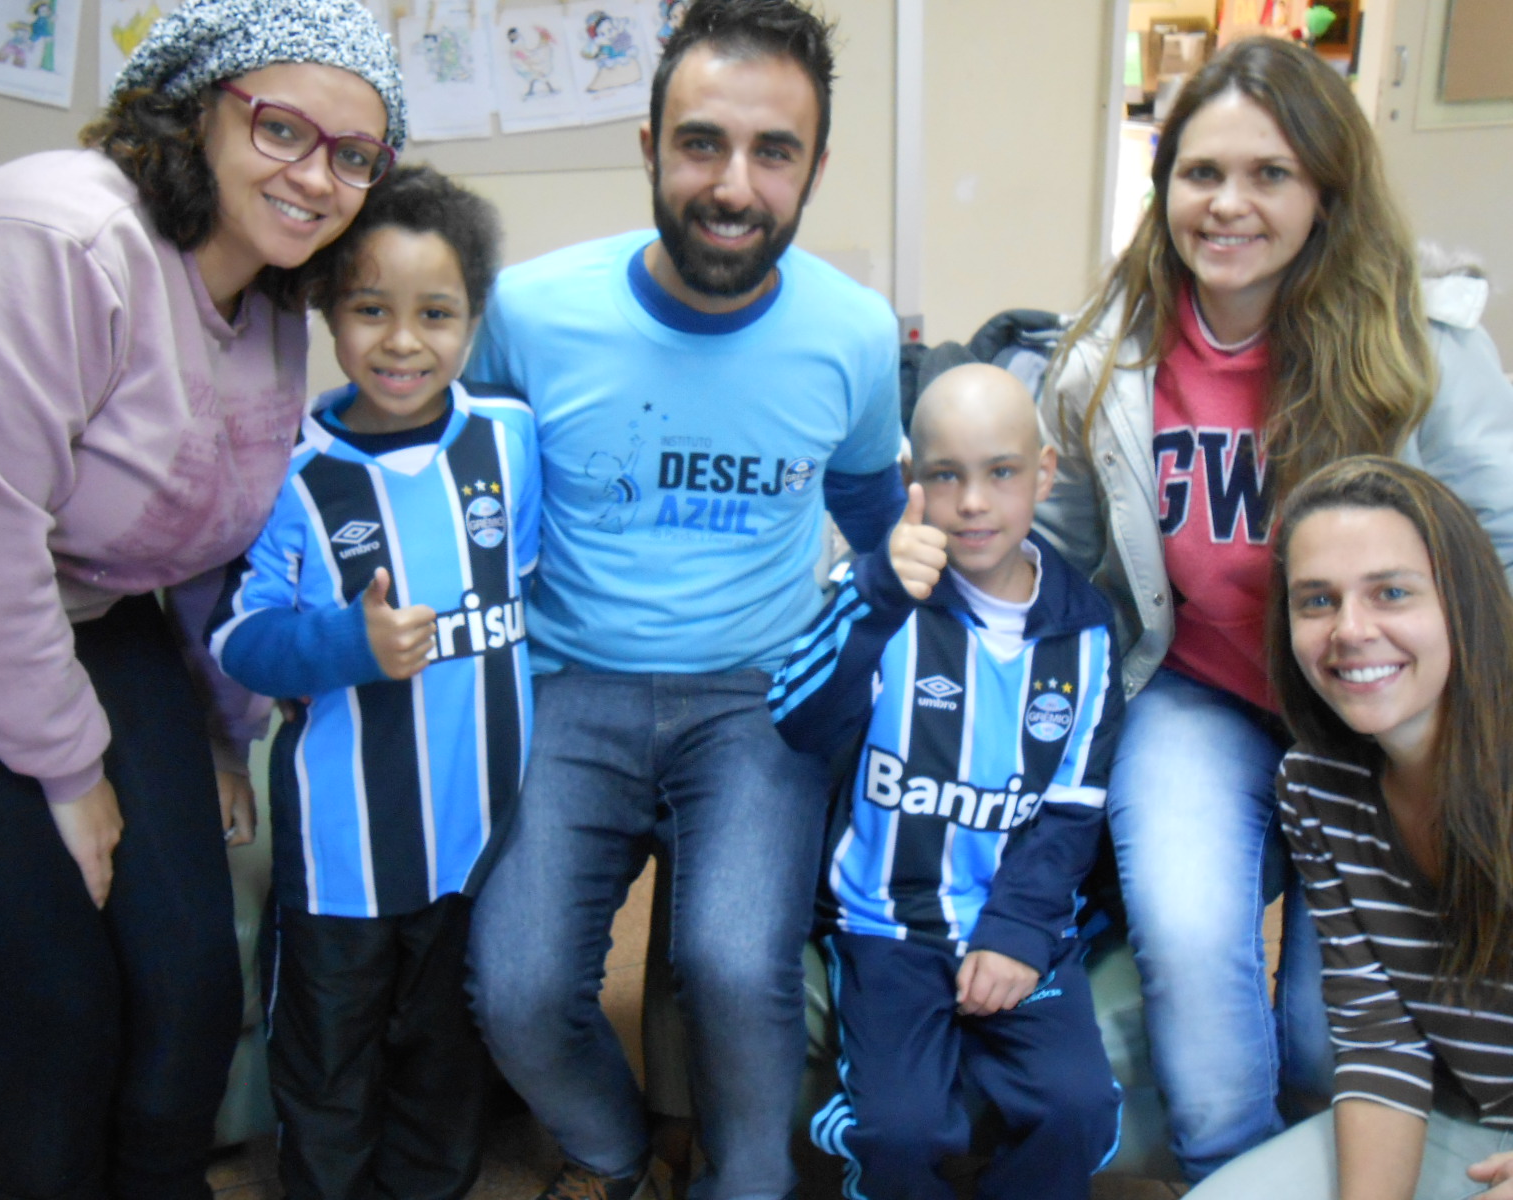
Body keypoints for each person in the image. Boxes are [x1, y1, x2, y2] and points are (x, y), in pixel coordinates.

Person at [0, 1, 405, 1196]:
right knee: (56, 1006)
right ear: (196, 107)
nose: (315, 177)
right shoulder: (51, 246)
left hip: (85, 614)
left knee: (190, 979)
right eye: (282, 126)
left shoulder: (274, 297)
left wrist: (217, 727)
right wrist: (72, 774)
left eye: (353, 154)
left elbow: (198, 536)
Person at [1033, 34, 1513, 1181]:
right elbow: (1062, 550)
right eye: (1201, 173)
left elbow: (1496, 546)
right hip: (1196, 693)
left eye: (1270, 173)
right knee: (1194, 942)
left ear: (1323, 190)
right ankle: (1229, 1172)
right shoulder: (1105, 355)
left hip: (1367, 713)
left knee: (1322, 1032)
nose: (1229, 204)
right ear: (1163, 188)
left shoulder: (1423, 346)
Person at [462, 1, 905, 1196]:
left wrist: (875, 658)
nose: (733, 184)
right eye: (701, 141)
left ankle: (745, 1186)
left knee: (733, 963)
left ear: (813, 167)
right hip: (567, 683)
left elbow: (877, 523)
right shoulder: (526, 312)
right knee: (512, 986)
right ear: (648, 145)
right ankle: (614, 1153)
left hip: (755, 696)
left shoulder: (854, 335)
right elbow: (461, 488)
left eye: (774, 151)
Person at [210, 165, 534, 1200]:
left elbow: (534, 591)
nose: (403, 341)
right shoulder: (292, 472)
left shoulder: (509, 439)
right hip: (346, 857)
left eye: (434, 313)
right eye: (370, 309)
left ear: (472, 319)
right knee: (330, 1069)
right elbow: (238, 639)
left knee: (446, 1063)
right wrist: (349, 646)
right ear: (326, 314)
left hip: (479, 842)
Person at [770, 365, 1124, 1200]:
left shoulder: (1087, 630)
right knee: (900, 1131)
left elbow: (1073, 807)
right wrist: (876, 595)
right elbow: (797, 720)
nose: (972, 502)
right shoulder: (877, 596)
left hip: (1019, 925)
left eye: (1001, 472)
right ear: (910, 483)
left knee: (1078, 1110)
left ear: (1043, 473)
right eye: (944, 475)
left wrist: (1017, 934)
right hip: (885, 926)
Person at [1187, 455, 1513, 1199]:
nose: (1351, 630)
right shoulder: (1315, 787)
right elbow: (1382, 1039)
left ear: (1460, 602)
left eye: (1391, 592)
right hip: (1460, 1121)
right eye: (1317, 601)